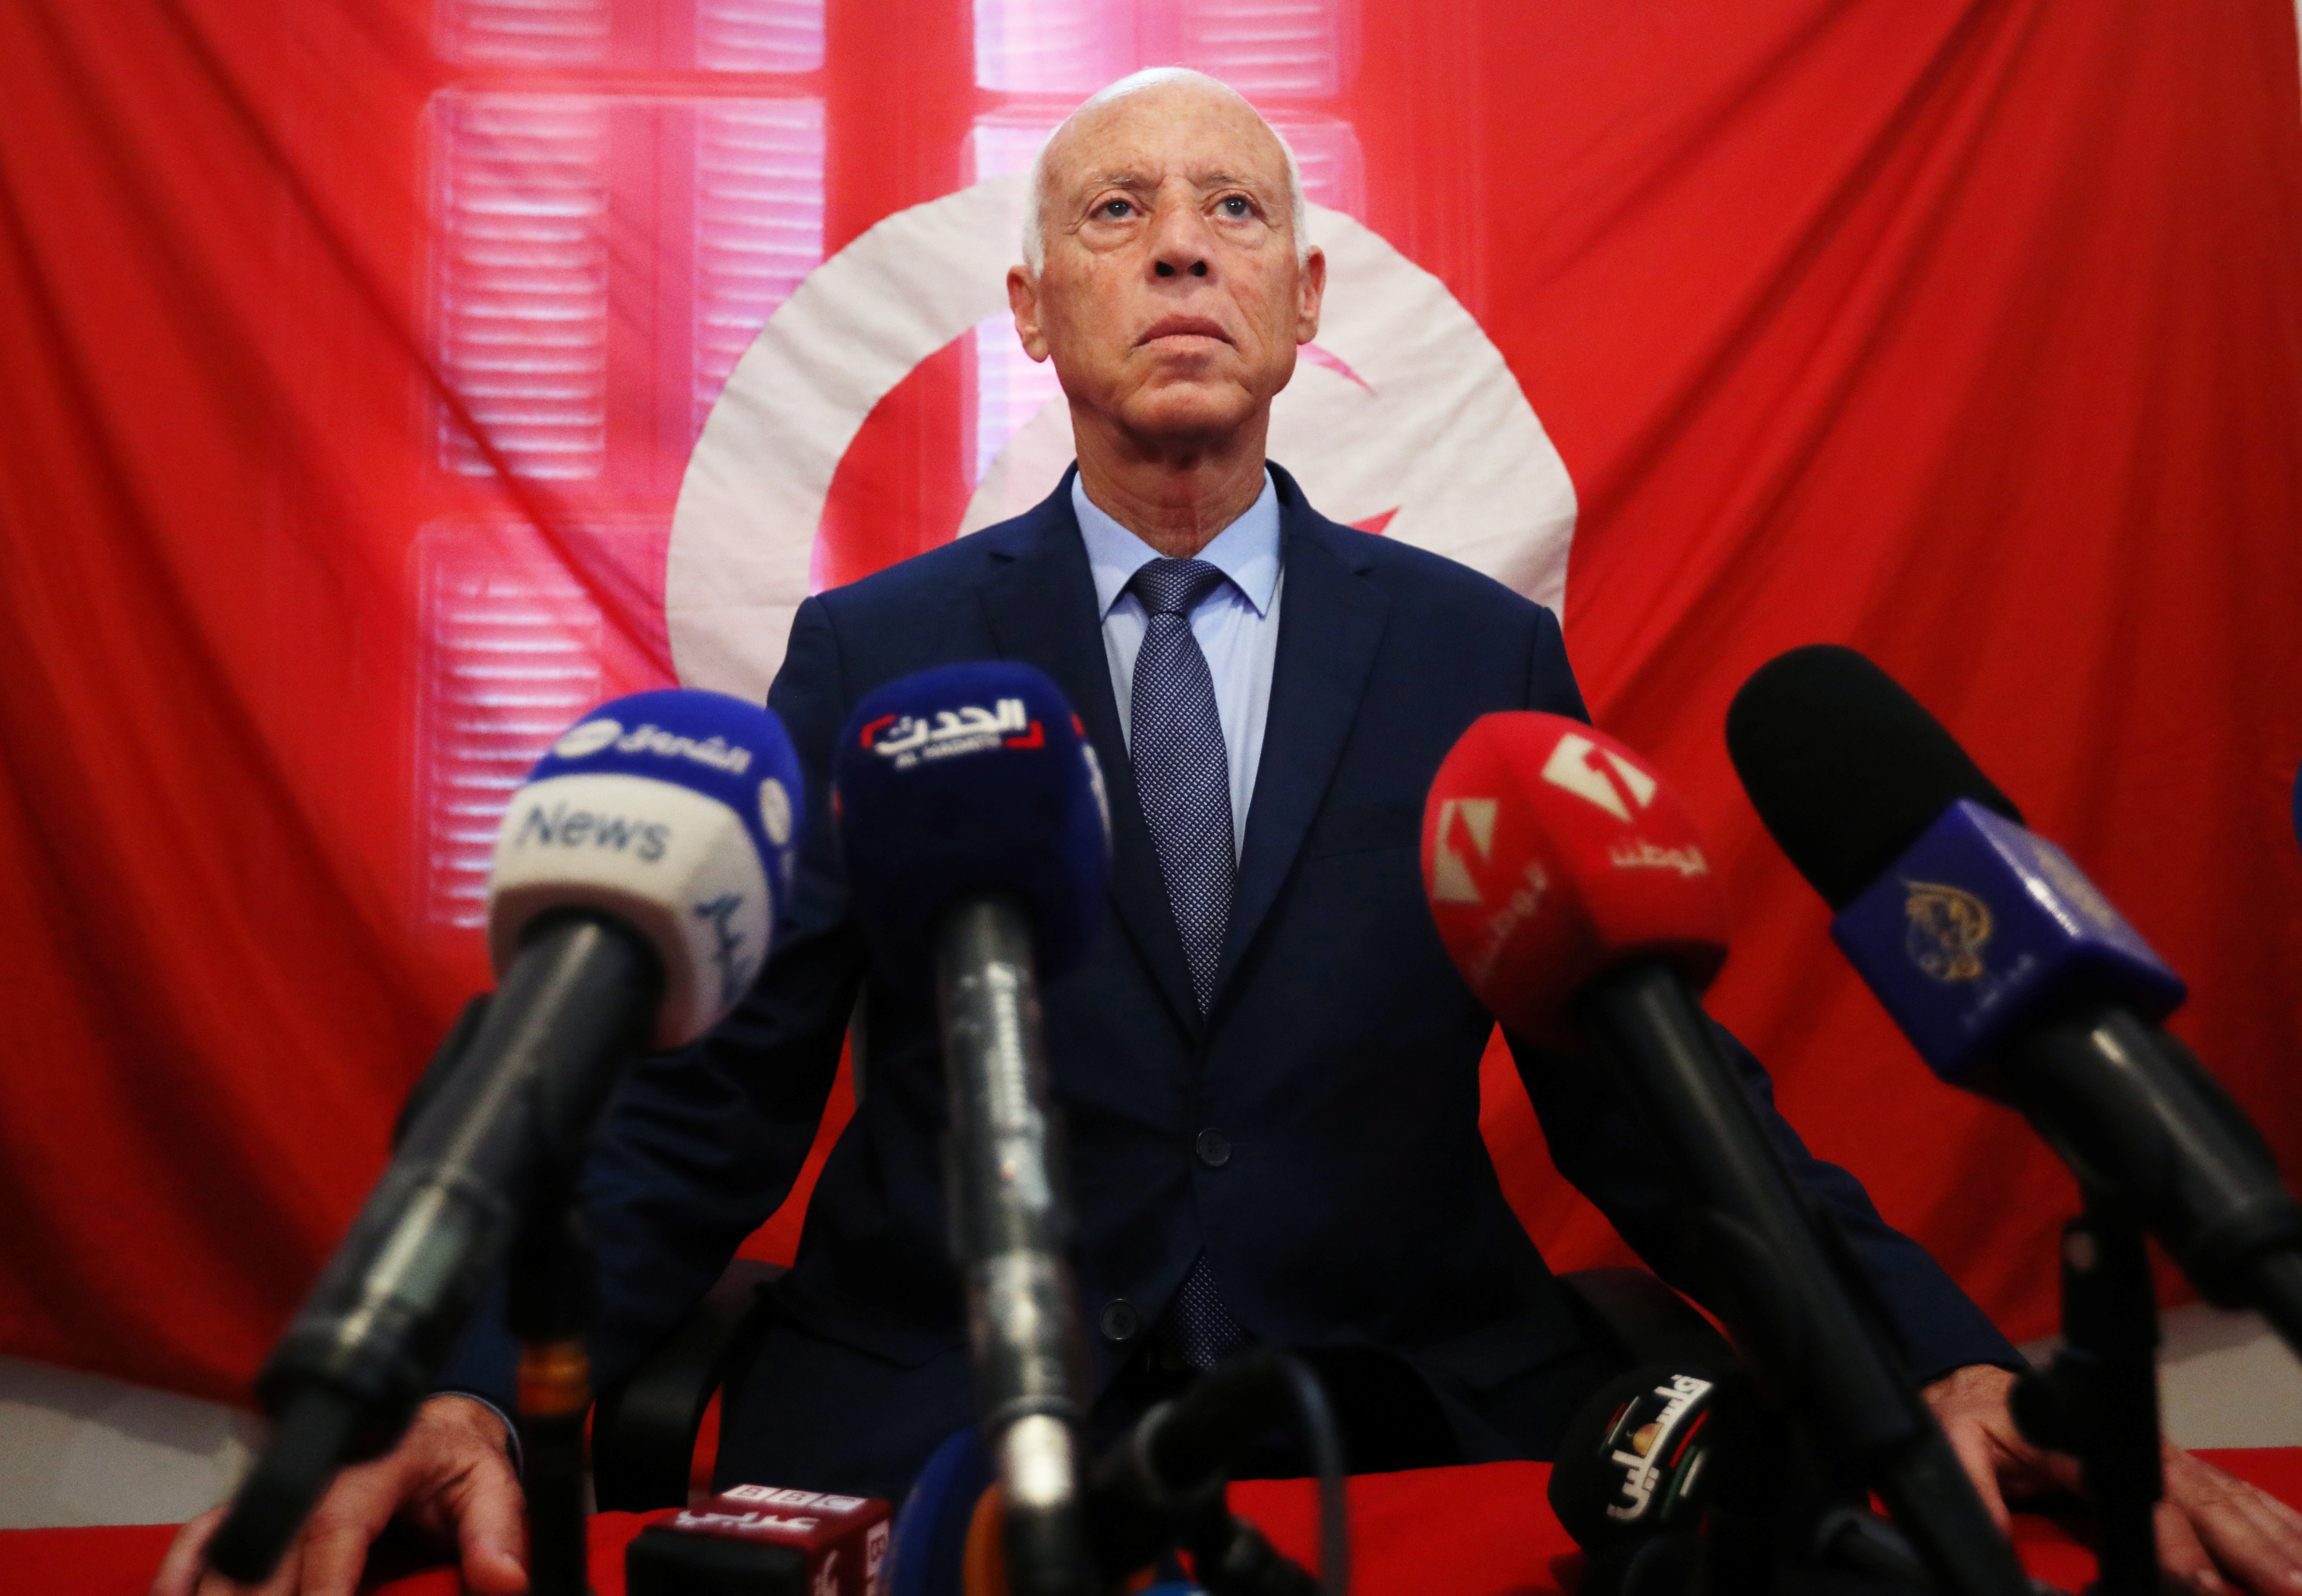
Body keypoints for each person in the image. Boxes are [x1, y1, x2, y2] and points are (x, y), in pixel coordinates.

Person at [156, 68, 2302, 1596]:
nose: (1180, 239)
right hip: (922, 1433)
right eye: (1113, 212)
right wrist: (445, 1379)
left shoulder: (1480, 654)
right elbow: (711, 1108)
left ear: (1300, 315)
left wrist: (1931, 1354)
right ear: (1031, 316)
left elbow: (1659, 1109)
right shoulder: (871, 643)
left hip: (1402, 1420)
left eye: (1237, 212)